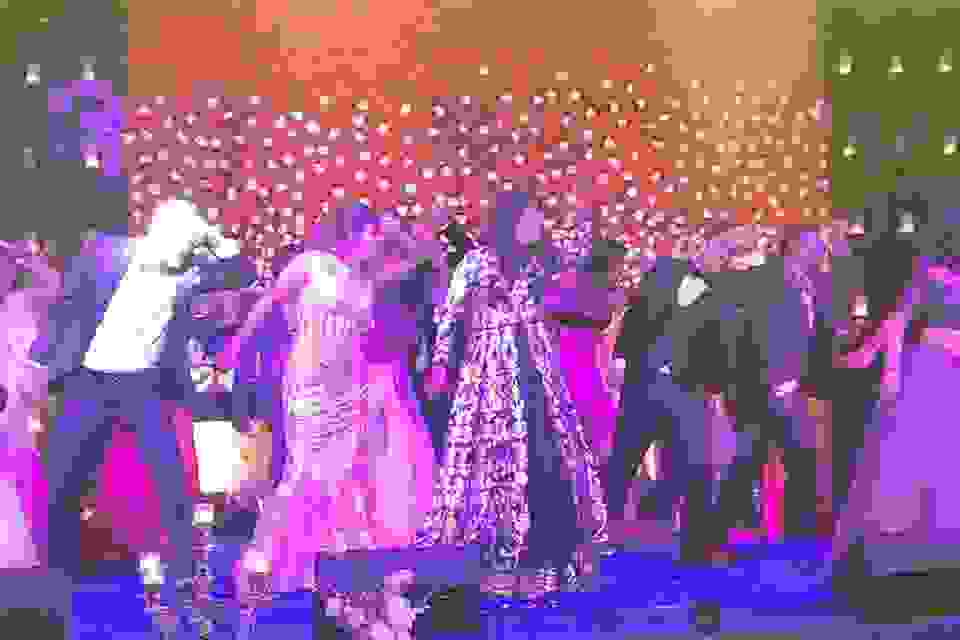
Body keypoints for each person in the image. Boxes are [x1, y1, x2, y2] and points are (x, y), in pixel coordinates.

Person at [29, 199, 256, 614]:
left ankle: (184, 575)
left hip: (145, 383)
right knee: (62, 475)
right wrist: (42, 359)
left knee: (169, 475)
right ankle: (55, 574)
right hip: (91, 378)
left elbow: (242, 272)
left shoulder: (189, 272)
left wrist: (213, 239)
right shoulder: (105, 251)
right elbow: (69, 305)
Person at [219, 203, 425, 593]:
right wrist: (238, 354)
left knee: (335, 478)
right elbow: (264, 310)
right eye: (370, 234)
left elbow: (379, 340)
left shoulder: (366, 284)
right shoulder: (310, 265)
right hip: (307, 385)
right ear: (350, 232)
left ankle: (321, 564)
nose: (374, 242)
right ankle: (260, 563)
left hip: (350, 391)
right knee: (303, 473)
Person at [422, 190, 606, 588]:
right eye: (531, 217)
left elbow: (579, 293)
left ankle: (552, 553)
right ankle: (497, 552)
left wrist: (578, 235)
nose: (538, 225)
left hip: (536, 362)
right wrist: (440, 364)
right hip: (490, 367)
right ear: (512, 220)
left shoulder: (542, 263)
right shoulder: (475, 262)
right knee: (495, 456)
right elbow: (450, 315)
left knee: (547, 451)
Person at [603, 244, 722, 557]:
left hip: (648, 388)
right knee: (691, 466)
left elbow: (624, 346)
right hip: (679, 390)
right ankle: (694, 542)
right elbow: (714, 341)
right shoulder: (699, 291)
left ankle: (608, 531)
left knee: (624, 464)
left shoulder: (648, 296)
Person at [0, 240, 60, 568]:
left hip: (21, 418)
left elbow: (56, 289)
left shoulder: (21, 304)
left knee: (26, 495)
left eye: (6, 265)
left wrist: (29, 258)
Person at [544, 239, 628, 463]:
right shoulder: (592, 289)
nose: (621, 271)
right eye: (619, 265)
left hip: (583, 360)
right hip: (574, 360)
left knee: (588, 417)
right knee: (586, 416)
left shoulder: (606, 291)